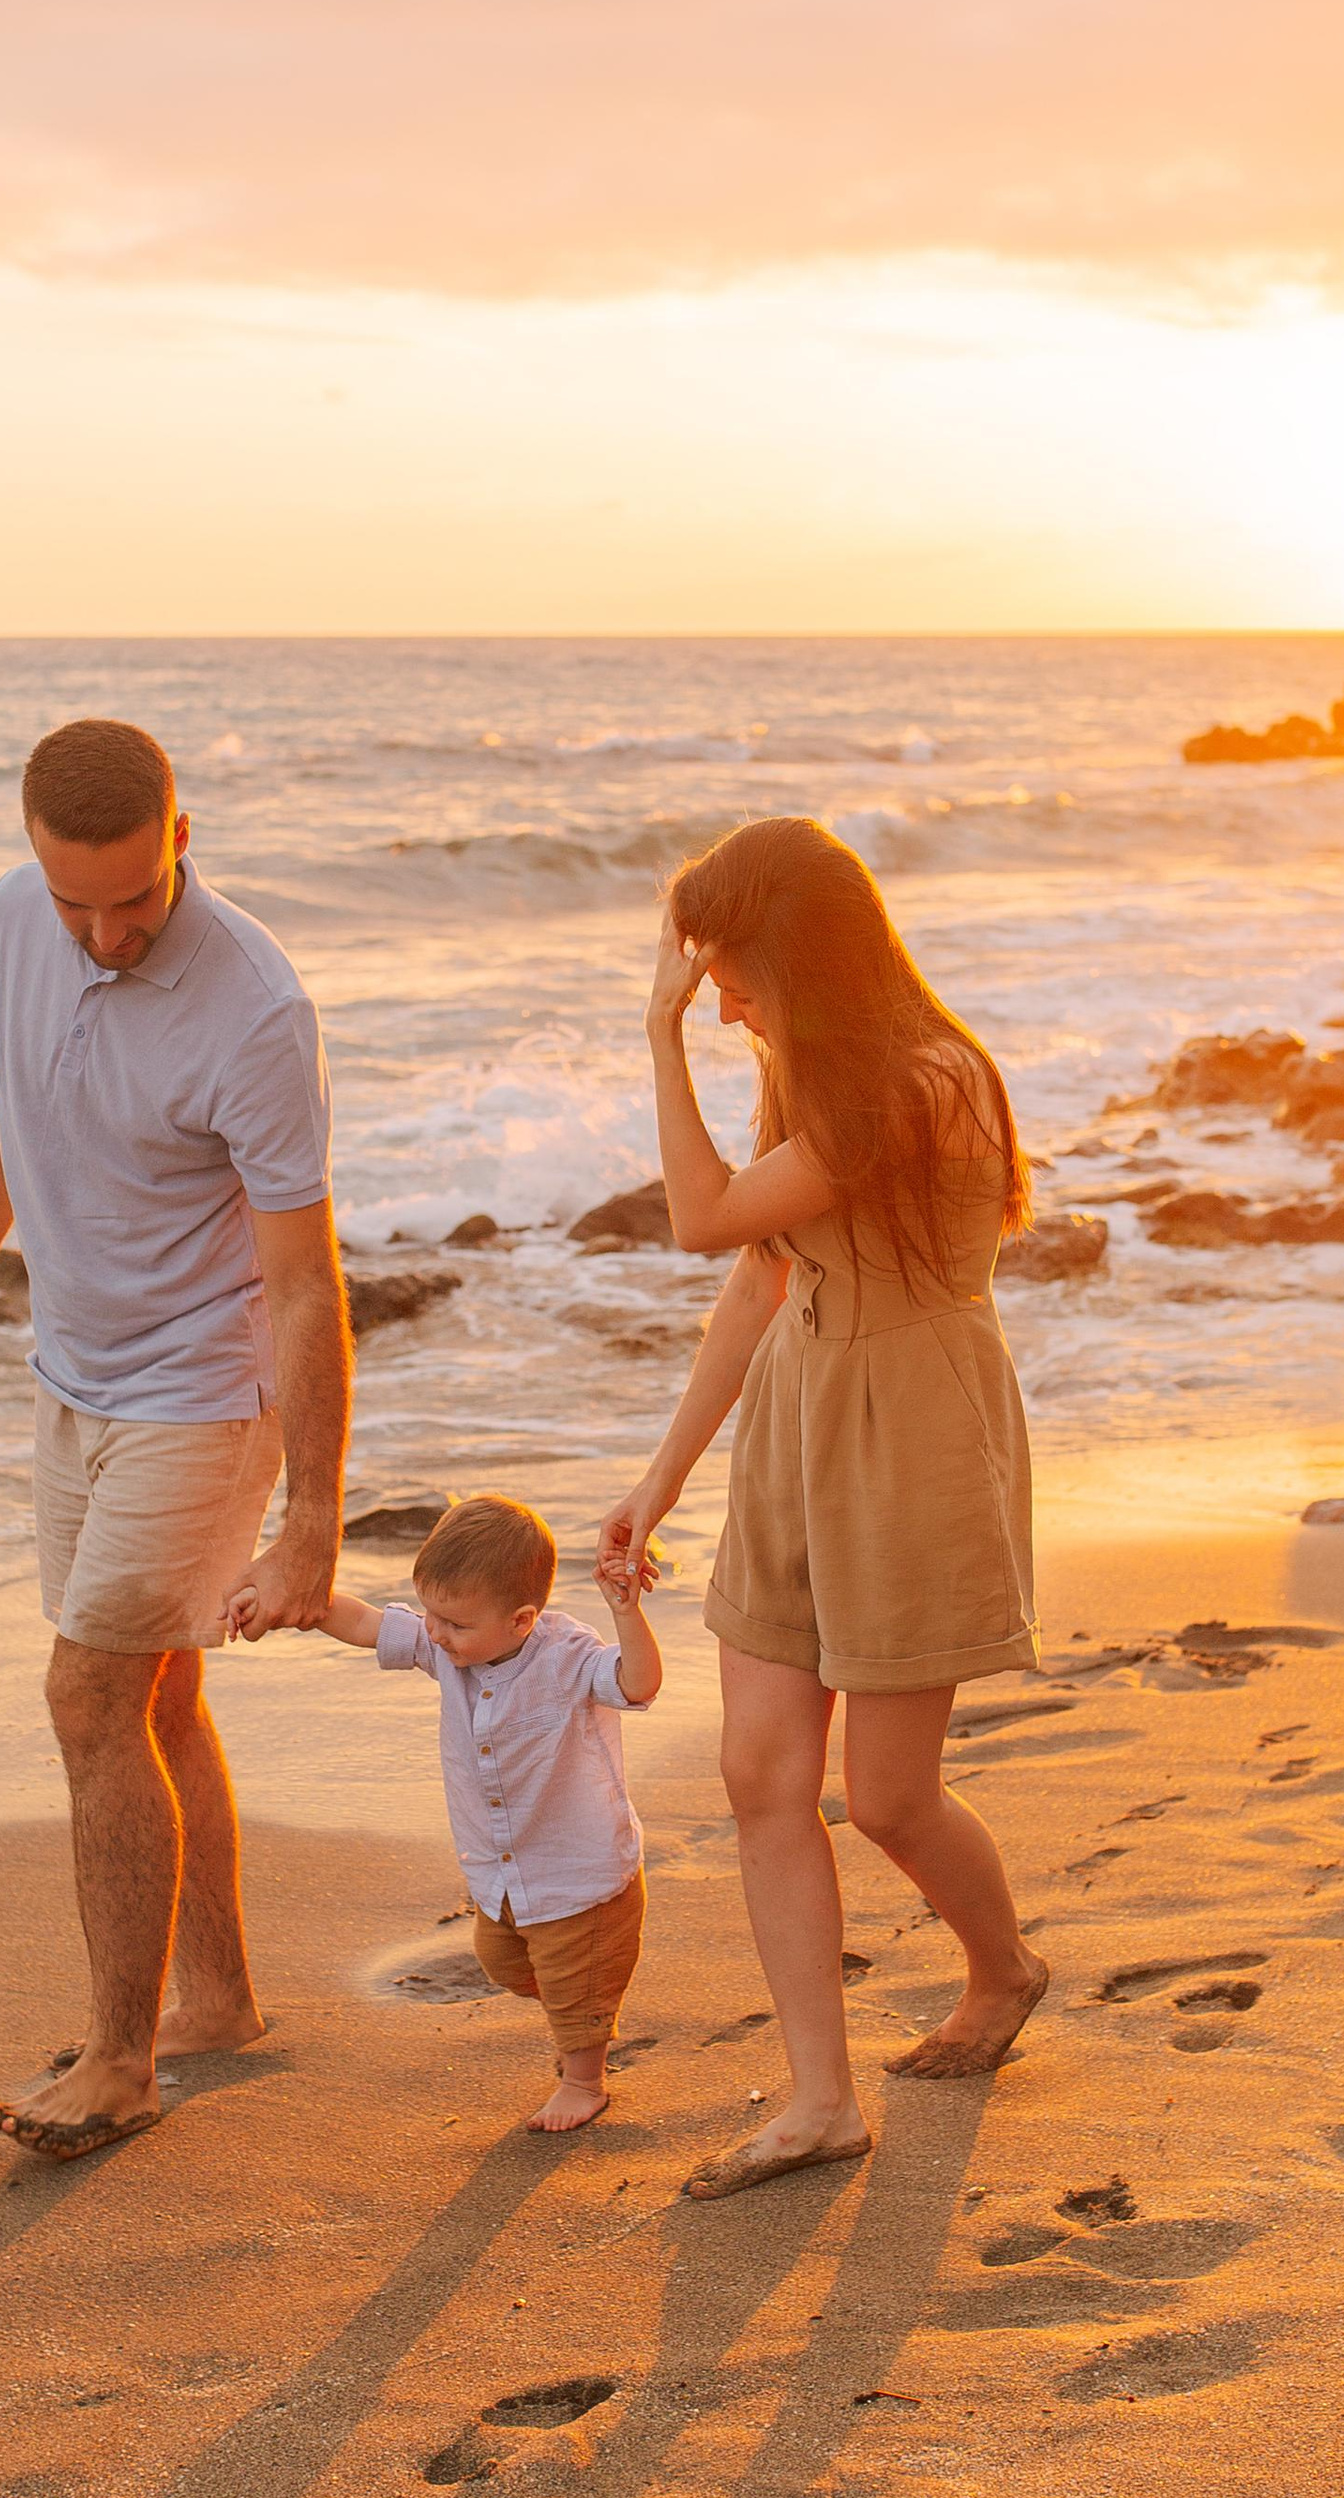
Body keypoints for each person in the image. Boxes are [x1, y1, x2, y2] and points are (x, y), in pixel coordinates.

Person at [0, 718, 352, 2164]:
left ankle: (121, 2063)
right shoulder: (15, 922)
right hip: (72, 1379)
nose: (100, 935)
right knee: (151, 1703)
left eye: (132, 900)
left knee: (88, 1698)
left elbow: (302, 1283)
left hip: (205, 1394)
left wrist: (313, 1521)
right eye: (71, 897)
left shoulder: (256, 1011)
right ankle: (213, 2001)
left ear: (180, 838)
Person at [596, 815, 1048, 2202]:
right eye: (706, 987)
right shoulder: (812, 1070)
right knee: (760, 1777)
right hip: (797, 1426)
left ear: (803, 957)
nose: (722, 1003)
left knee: (889, 1797)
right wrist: (657, 1481)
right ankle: (820, 2100)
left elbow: (702, 1219)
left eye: (732, 977)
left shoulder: (925, 1081)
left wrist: (659, 1043)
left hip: (910, 1429)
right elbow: (759, 1279)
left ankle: (1005, 1966)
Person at [263, 1496, 662, 2133]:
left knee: (574, 1985)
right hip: (500, 1871)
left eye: (454, 1623)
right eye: (430, 1615)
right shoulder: (450, 1648)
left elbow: (638, 1684)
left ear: (522, 1619)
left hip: (576, 1870)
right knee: (504, 1963)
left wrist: (626, 1611)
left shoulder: (567, 1657)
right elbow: (363, 1621)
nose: (435, 1633)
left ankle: (584, 2079)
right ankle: (581, 2001)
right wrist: (291, 1601)